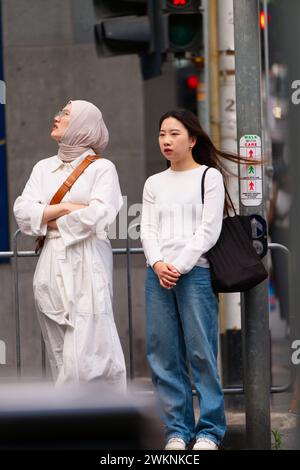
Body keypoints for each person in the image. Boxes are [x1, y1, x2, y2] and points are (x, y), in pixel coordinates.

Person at [140, 109, 243, 451]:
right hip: (157, 277)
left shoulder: (208, 177)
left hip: (195, 273)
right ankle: (176, 430)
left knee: (201, 354)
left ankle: (210, 431)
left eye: (174, 134)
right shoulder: (153, 183)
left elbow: (209, 230)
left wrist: (178, 266)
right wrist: (157, 263)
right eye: (162, 135)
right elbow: (148, 230)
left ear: (193, 139)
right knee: (163, 355)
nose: (166, 141)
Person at [13, 100, 126, 389]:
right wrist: (66, 209)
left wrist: (47, 216)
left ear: (83, 124)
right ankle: (70, 422)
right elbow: (22, 213)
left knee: (92, 347)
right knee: (59, 350)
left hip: (88, 258)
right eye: (60, 112)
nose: (57, 117)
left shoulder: (102, 168)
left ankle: (99, 422)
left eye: (65, 114)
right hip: (50, 259)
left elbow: (100, 215)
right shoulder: (43, 167)